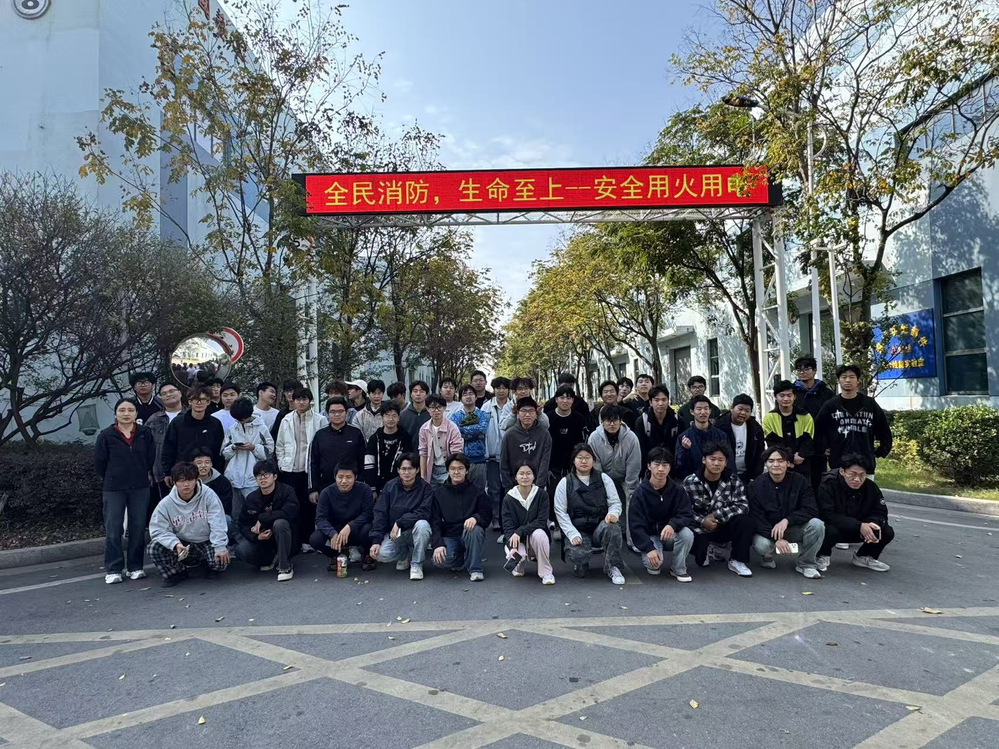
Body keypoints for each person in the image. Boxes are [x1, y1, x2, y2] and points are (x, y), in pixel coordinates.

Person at [95, 399, 156, 584]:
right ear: (116, 414)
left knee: (138, 527)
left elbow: (150, 457)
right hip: (114, 488)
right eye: (122, 410)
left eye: (130, 410)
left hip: (140, 486)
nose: (126, 413)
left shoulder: (145, 433)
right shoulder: (106, 435)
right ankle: (114, 569)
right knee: (113, 529)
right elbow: (100, 463)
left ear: (136, 413)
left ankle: (135, 567)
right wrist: (113, 476)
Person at [748, 446, 825, 579]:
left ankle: (806, 564)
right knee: (763, 546)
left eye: (780, 460)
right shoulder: (755, 485)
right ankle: (767, 557)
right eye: (771, 461)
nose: (776, 464)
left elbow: (811, 509)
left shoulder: (800, 481)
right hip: (767, 531)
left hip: (793, 528)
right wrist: (776, 538)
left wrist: (787, 520)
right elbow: (756, 517)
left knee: (817, 525)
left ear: (788, 463)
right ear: (765, 463)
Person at [148, 462, 230, 587]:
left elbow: (217, 521)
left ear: (197, 480)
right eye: (181, 480)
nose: (186, 484)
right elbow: (157, 530)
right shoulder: (166, 503)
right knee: (153, 548)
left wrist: (220, 546)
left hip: (206, 540)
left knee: (220, 562)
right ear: (174, 482)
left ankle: (207, 564)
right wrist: (175, 544)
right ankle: (177, 572)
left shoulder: (208, 495)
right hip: (182, 543)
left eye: (190, 479)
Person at [553, 444, 626, 584]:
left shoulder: (604, 478)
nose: (584, 461)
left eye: (587, 457)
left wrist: (613, 514)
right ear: (573, 460)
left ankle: (613, 566)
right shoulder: (565, 482)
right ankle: (581, 563)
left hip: (600, 526)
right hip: (578, 529)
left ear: (593, 460)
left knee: (613, 527)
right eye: (580, 457)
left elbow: (615, 502)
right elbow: (560, 512)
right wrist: (572, 534)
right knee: (579, 561)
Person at [682, 442, 754, 576]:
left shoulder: (733, 480)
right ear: (704, 460)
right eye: (712, 459)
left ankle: (737, 560)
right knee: (701, 560)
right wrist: (703, 521)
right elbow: (683, 511)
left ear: (726, 462)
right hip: (699, 528)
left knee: (745, 521)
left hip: (722, 525)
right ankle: (707, 549)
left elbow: (743, 505)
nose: (716, 463)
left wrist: (716, 515)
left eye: (721, 460)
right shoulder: (690, 481)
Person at [817, 453, 894, 572]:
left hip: (860, 527)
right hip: (837, 526)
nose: (857, 479)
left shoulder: (871, 487)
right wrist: (859, 526)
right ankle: (822, 555)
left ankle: (864, 556)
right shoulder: (828, 484)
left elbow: (880, 511)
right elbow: (827, 514)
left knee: (886, 531)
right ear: (842, 471)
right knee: (826, 529)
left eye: (862, 475)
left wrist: (872, 523)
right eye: (852, 474)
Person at [628, 447, 695, 582]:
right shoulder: (639, 494)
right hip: (650, 536)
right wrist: (648, 548)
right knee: (654, 566)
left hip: (669, 535)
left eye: (665, 465)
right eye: (656, 464)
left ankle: (678, 568)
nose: (660, 469)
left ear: (670, 467)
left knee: (687, 534)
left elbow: (686, 514)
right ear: (649, 466)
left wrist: (673, 525)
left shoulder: (677, 490)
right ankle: (653, 555)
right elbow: (636, 526)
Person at [275, 387, 327, 553]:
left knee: (309, 507)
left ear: (310, 401)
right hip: (289, 470)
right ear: (293, 401)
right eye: (298, 399)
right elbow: (280, 444)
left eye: (304, 399)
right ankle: (294, 543)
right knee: (292, 507)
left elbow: (323, 445)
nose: (301, 402)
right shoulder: (286, 419)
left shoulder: (320, 420)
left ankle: (308, 540)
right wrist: (282, 462)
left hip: (309, 470)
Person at [815, 364, 893, 473]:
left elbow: (884, 429)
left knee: (866, 484)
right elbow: (818, 430)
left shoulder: (869, 404)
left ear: (858, 381)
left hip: (865, 463)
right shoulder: (830, 405)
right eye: (844, 377)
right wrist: (823, 449)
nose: (848, 380)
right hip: (838, 463)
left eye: (852, 377)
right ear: (838, 381)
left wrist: (881, 451)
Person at [369, 453, 434, 580]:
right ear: (398, 470)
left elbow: (424, 512)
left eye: (410, 469)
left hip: (414, 531)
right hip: (395, 533)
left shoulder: (426, 488)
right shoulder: (390, 486)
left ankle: (417, 564)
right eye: (403, 469)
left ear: (417, 470)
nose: (406, 472)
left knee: (423, 525)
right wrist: (376, 540)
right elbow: (380, 512)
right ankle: (404, 556)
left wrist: (400, 522)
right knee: (381, 555)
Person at [587, 404, 642, 551]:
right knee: (598, 499)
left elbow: (634, 464)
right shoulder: (594, 438)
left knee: (633, 498)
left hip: (625, 476)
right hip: (603, 476)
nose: (612, 424)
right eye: (608, 420)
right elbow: (595, 464)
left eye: (615, 420)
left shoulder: (631, 438)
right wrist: (603, 484)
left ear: (620, 420)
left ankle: (633, 540)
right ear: (602, 421)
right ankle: (599, 539)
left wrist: (631, 486)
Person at [430, 454, 491, 581]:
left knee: (475, 530)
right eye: (452, 469)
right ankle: (461, 558)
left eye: (460, 468)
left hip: (469, 533)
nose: (456, 472)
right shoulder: (439, 493)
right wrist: (438, 544)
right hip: (450, 535)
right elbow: (435, 521)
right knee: (439, 560)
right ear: (448, 471)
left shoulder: (477, 490)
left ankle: (475, 569)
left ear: (466, 470)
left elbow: (487, 514)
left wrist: (475, 518)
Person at [236, 459, 298, 581]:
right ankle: (269, 559)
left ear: (275, 476)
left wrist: (262, 518)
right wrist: (256, 536)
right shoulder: (251, 498)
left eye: (266, 475)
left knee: (280, 523)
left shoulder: (287, 491)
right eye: (259, 475)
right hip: (263, 540)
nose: (262, 478)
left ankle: (285, 566)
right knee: (241, 550)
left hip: (287, 537)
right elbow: (243, 524)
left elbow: (290, 513)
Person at [309, 461, 375, 570]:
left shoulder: (364, 489)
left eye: (349, 477)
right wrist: (332, 533)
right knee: (315, 539)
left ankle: (367, 554)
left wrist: (350, 526)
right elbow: (320, 519)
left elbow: (368, 514)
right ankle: (335, 555)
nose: (344, 481)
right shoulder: (326, 493)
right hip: (336, 531)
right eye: (340, 477)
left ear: (355, 477)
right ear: (335, 477)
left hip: (357, 529)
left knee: (369, 529)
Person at [221, 397, 274, 525]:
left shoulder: (262, 428)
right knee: (235, 513)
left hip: (253, 478)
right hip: (234, 477)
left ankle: (256, 534)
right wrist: (233, 448)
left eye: (242, 418)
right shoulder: (233, 429)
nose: (241, 421)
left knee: (254, 511)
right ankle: (236, 536)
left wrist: (254, 448)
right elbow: (223, 453)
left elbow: (270, 452)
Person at [501, 462, 555, 584]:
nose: (525, 477)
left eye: (528, 473)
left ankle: (546, 573)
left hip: (535, 537)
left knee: (540, 534)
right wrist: (512, 545)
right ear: (515, 477)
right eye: (521, 473)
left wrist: (520, 531)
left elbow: (541, 521)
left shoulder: (542, 495)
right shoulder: (509, 498)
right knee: (518, 562)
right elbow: (507, 525)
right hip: (516, 539)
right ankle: (518, 566)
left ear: (534, 476)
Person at [161, 384, 225, 479]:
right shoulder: (177, 422)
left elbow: (218, 450)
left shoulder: (215, 423)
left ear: (208, 402)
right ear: (190, 401)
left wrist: (218, 473)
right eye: (195, 399)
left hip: (208, 473)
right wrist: (167, 473)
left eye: (203, 400)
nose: (199, 403)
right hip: (183, 473)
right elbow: (168, 449)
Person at [310, 397, 366, 502]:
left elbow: (363, 461)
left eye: (340, 411)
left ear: (347, 413)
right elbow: (313, 463)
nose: (337, 414)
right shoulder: (320, 435)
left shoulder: (356, 433)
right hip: (325, 487)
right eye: (333, 412)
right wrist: (313, 489)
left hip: (352, 486)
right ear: (327, 414)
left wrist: (361, 483)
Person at [762, 380, 815, 478]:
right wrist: (788, 459)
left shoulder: (806, 416)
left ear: (794, 397)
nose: (786, 399)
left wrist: (800, 455)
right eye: (782, 396)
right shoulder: (769, 418)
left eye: (789, 395)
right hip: (780, 463)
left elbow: (808, 439)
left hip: (802, 463)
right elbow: (771, 442)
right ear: (776, 397)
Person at [499, 397, 552, 494]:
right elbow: (504, 463)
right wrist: (509, 488)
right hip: (514, 487)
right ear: (517, 414)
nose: (527, 415)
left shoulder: (544, 434)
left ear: (536, 414)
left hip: (537, 485)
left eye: (531, 411)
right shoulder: (510, 434)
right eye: (523, 411)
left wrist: (539, 487)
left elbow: (545, 462)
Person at [145, 382, 185, 507]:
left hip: (188, 472)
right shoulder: (153, 420)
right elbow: (146, 448)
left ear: (180, 393)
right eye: (164, 393)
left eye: (172, 391)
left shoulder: (191, 415)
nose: (168, 395)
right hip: (161, 473)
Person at [547, 384, 588, 502]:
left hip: (574, 469)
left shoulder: (579, 419)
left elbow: (583, 444)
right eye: (562, 397)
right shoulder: (548, 419)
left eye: (569, 398)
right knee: (554, 501)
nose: (565, 401)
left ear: (573, 400)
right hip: (553, 470)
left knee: (575, 501)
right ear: (556, 399)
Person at [364, 402, 413, 496]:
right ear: (382, 417)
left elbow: (409, 462)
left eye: (394, 416)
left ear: (398, 418)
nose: (391, 419)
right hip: (378, 486)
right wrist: (372, 488)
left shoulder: (405, 437)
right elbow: (369, 464)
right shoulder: (374, 438)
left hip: (400, 486)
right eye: (387, 415)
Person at [673, 396, 728, 481]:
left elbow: (728, 461)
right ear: (692, 411)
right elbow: (679, 467)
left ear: (710, 411)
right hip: (692, 482)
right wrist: (685, 450)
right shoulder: (684, 437)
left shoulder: (721, 435)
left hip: (717, 480)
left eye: (706, 409)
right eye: (699, 409)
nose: (703, 412)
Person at [715, 394, 765, 486]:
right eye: (740, 409)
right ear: (731, 408)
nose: (743, 413)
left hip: (747, 475)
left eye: (747, 411)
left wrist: (756, 475)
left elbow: (760, 452)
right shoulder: (719, 426)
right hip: (724, 475)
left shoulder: (755, 428)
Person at [483, 377, 513, 529]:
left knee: (509, 488)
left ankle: (509, 518)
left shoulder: (514, 406)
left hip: (511, 455)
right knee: (494, 489)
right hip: (492, 455)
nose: (501, 391)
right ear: (493, 390)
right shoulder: (486, 407)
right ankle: (496, 518)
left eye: (504, 388)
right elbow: (482, 431)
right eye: (498, 388)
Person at [450, 384, 490, 489]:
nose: (468, 396)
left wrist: (462, 431)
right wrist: (474, 432)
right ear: (460, 399)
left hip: (479, 460)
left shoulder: (483, 414)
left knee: (478, 492)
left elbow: (481, 430)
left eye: (471, 394)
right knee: (460, 491)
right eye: (464, 394)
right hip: (460, 461)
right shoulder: (455, 416)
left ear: (476, 397)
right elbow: (455, 433)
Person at [419, 394, 464, 485]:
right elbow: (423, 453)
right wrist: (423, 476)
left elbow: (456, 453)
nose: (436, 411)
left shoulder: (452, 428)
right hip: (431, 468)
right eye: (433, 407)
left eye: (439, 407)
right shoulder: (424, 428)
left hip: (447, 468)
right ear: (427, 409)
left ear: (444, 408)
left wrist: (454, 473)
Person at [635, 385, 680, 465]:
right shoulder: (642, 421)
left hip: (671, 465)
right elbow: (641, 449)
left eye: (664, 400)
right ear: (650, 402)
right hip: (650, 464)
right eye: (656, 400)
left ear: (668, 401)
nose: (660, 403)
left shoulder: (678, 420)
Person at [191, 447, 234, 518]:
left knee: (227, 518)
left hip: (216, 515)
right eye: (199, 463)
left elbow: (225, 506)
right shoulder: (187, 481)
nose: (203, 466)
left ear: (211, 464)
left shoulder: (222, 482)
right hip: (193, 516)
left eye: (207, 462)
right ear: (192, 464)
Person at [400, 380, 431, 445]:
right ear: (411, 394)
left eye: (421, 391)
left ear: (426, 395)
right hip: (408, 450)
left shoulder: (431, 414)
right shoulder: (402, 416)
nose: (418, 394)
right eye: (415, 391)